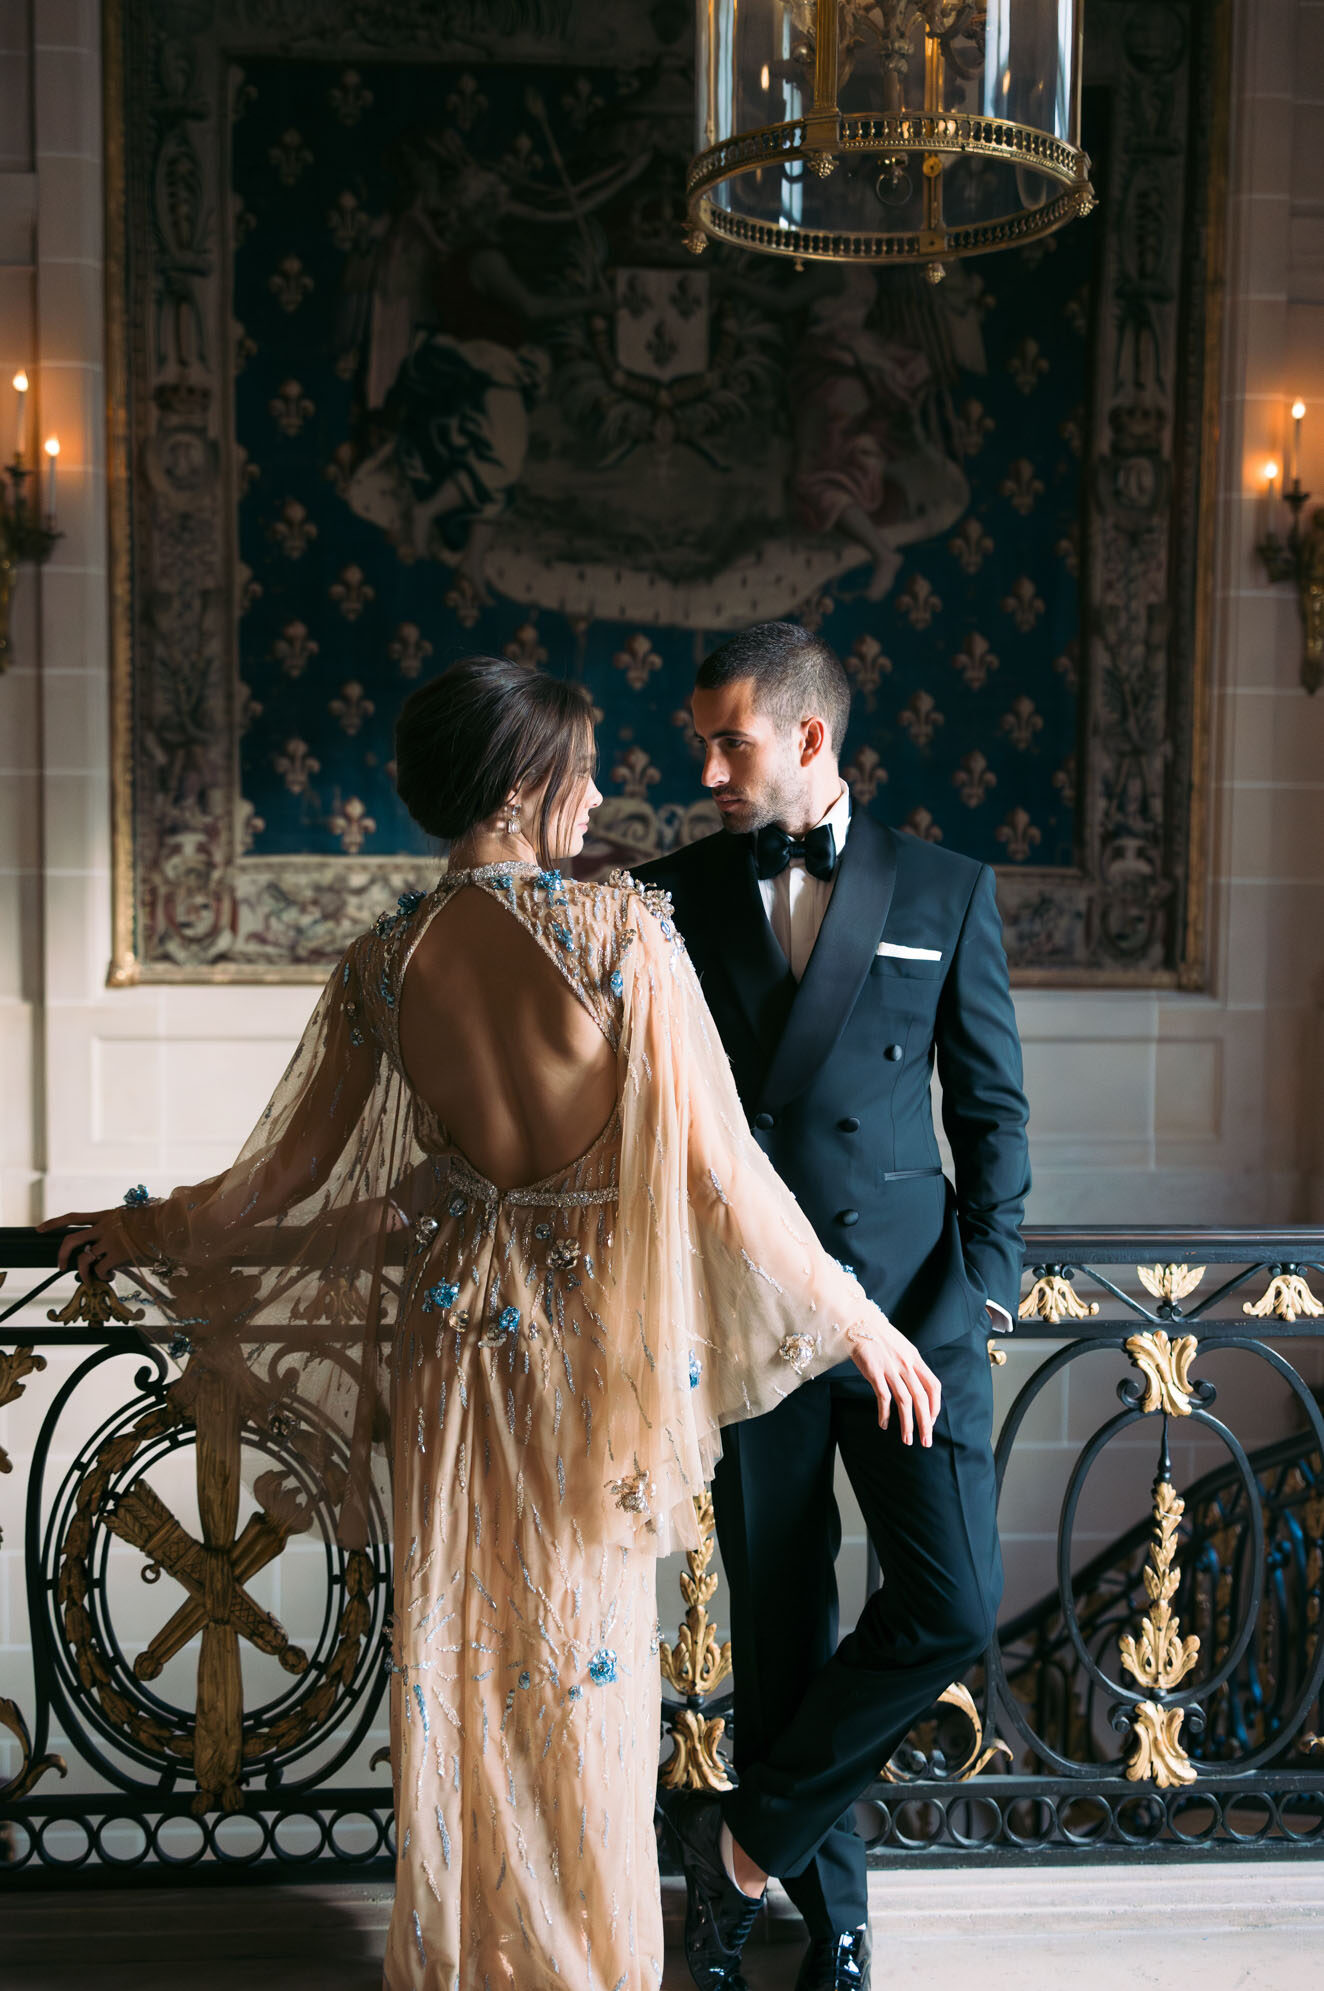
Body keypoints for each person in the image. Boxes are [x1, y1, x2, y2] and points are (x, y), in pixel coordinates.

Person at [40, 655, 944, 1991]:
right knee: (584, 1674)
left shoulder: (385, 964)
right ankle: (582, 1963)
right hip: (585, 1355)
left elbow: (271, 1182)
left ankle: (472, 1958)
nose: (591, 800)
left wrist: (142, 1229)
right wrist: (859, 1320)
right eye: (575, 775)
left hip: (454, 1356)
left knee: (463, 1667)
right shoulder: (627, 938)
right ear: (524, 787)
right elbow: (721, 1179)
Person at [639, 621, 1030, 1991]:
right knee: (782, 1628)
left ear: (810, 739)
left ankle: (740, 1848)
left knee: (952, 1606)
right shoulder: (669, 895)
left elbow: (992, 1120)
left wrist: (978, 1296)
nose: (705, 766)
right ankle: (838, 1923)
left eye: (728, 740)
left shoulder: (946, 889)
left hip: (915, 1319)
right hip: (753, 1328)